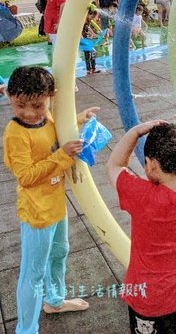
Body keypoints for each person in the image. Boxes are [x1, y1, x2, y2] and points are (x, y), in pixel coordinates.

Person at [3, 66, 98, 333]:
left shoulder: (48, 119)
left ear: (50, 97)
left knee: (59, 253)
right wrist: (61, 157)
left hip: (56, 205)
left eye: (37, 105)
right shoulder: (16, 133)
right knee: (32, 274)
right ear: (8, 96)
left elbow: (57, 136)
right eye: (20, 105)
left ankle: (54, 300)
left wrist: (79, 120)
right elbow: (26, 176)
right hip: (36, 213)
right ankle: (26, 329)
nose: (30, 113)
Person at [106, 110, 176, 334]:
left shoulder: (142, 196)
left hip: (149, 299)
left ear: (151, 165)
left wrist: (135, 132)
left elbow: (115, 165)